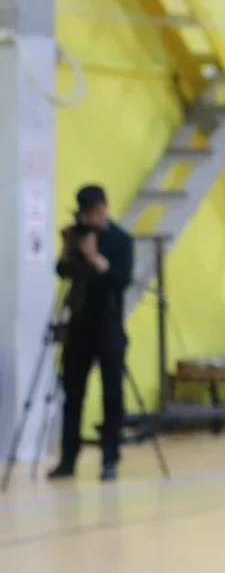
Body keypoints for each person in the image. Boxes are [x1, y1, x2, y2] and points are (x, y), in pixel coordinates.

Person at [48, 184, 134, 482]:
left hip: (108, 326)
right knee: (72, 395)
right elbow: (63, 272)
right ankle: (68, 458)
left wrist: (94, 256)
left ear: (105, 208)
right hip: (79, 326)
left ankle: (110, 459)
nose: (94, 217)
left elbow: (120, 280)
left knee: (112, 394)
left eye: (98, 211)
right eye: (88, 213)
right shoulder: (78, 235)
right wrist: (67, 247)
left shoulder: (121, 240)